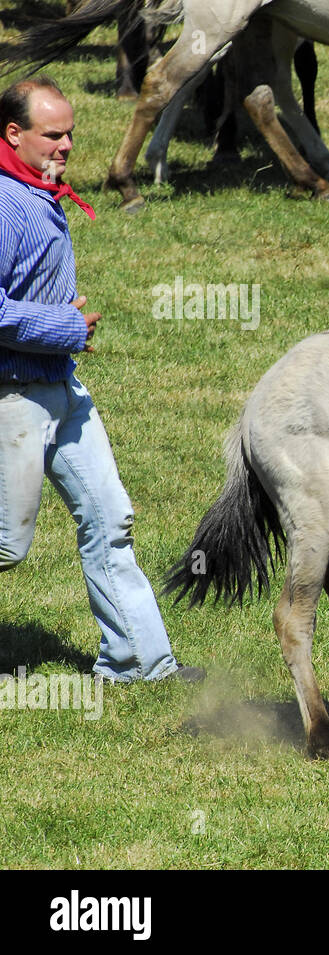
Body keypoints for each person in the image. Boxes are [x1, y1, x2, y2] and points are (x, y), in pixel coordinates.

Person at [0, 75, 202, 683]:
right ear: (14, 133)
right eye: (51, 135)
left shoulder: (35, 190)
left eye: (70, 135)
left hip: (60, 390)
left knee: (109, 517)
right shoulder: (5, 204)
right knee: (6, 546)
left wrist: (63, 336)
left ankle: (138, 661)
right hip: (14, 398)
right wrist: (64, 326)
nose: (65, 147)